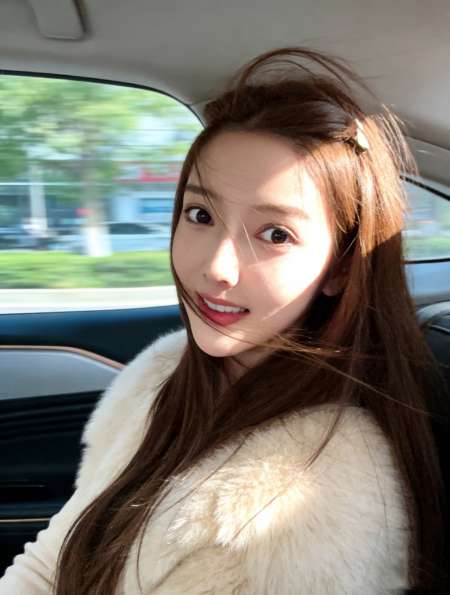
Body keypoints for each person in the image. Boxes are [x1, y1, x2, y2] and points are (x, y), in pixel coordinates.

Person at [0, 47, 448, 595]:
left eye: (275, 234)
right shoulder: (162, 375)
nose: (216, 266)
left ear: (339, 269)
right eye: (201, 214)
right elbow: (51, 560)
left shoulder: (320, 492)